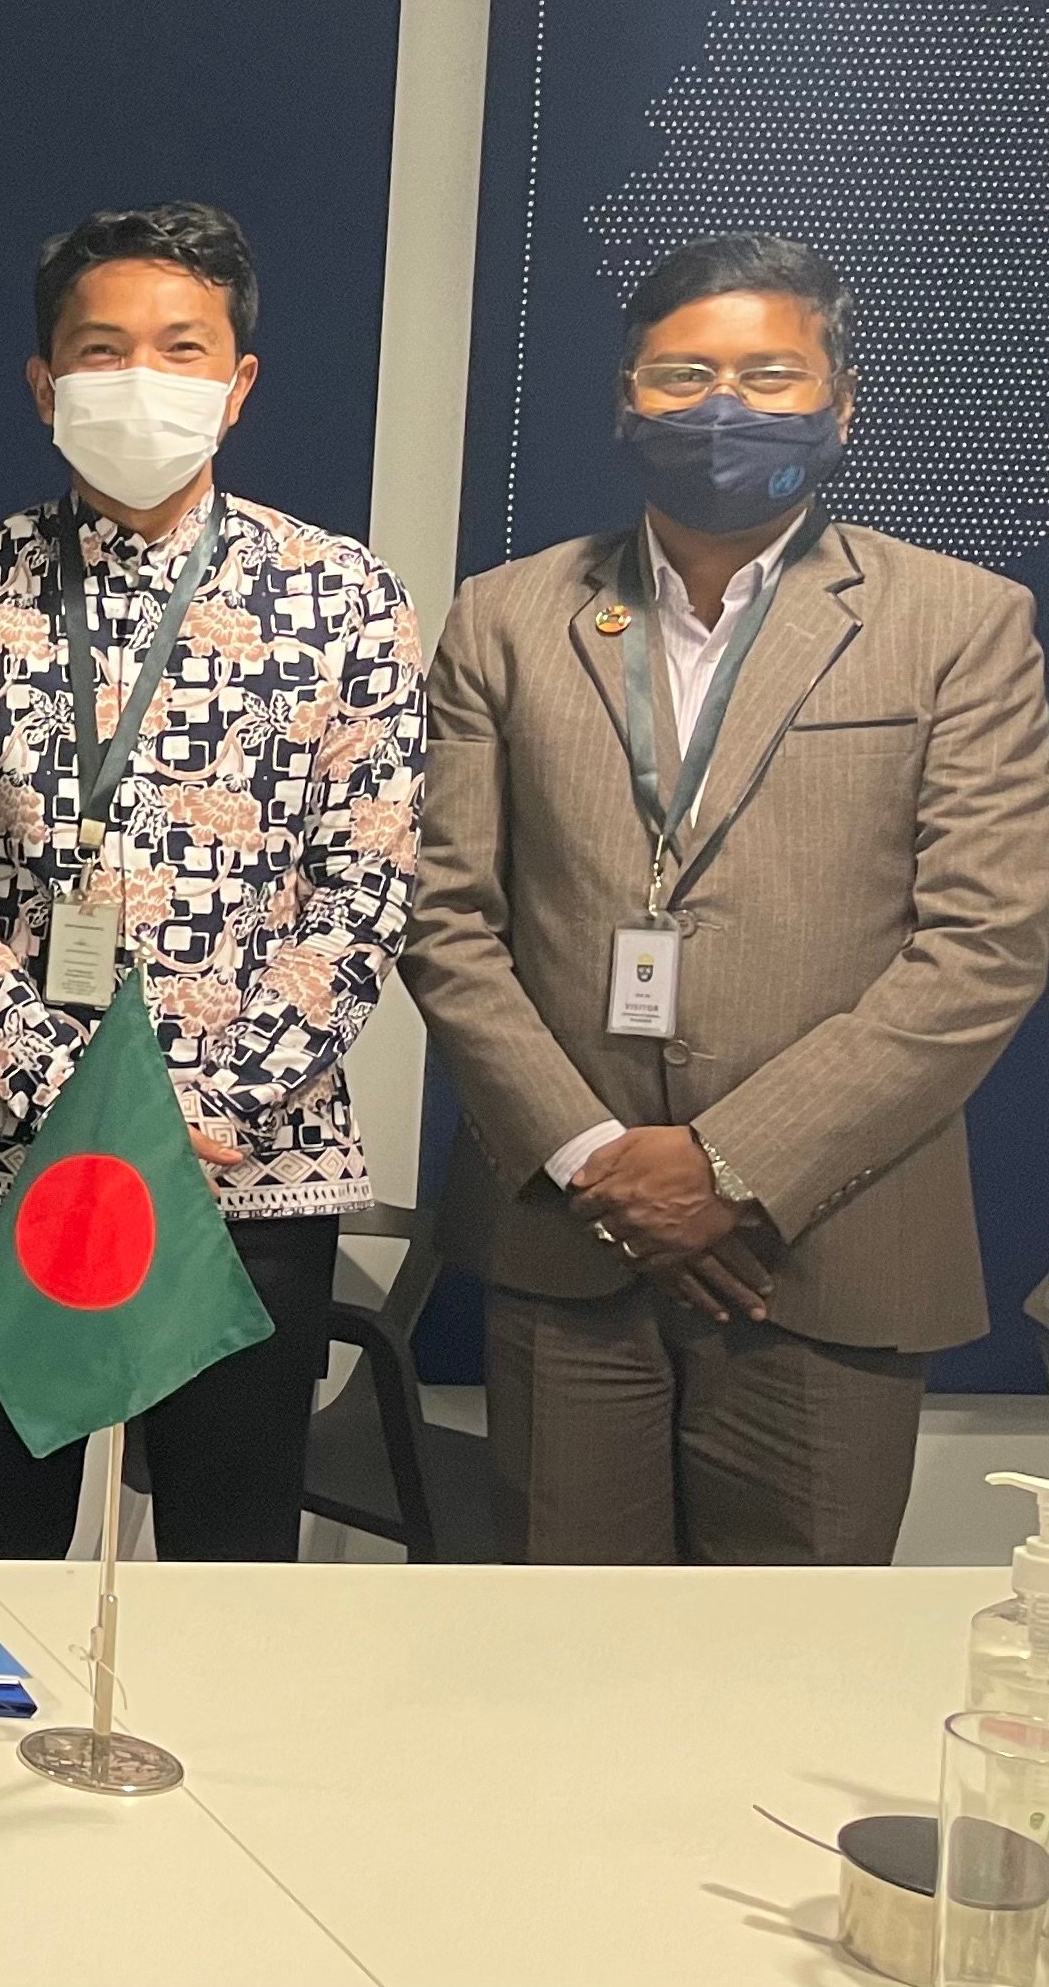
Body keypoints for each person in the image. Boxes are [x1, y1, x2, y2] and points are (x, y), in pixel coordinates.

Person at [405, 233, 1049, 1564]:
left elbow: (987, 942)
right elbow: (443, 916)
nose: (723, 406)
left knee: (789, 1656)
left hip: (828, 1247)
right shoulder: (506, 617)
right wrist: (599, 1160)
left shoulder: (960, 623)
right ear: (627, 400)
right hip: (571, 1242)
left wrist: (731, 1168)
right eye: (683, 374)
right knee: (562, 1651)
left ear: (840, 404)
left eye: (769, 375)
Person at [0, 203, 423, 1562]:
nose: (140, 378)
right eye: (102, 349)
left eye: (180, 348)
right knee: (2, 1548)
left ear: (238, 382)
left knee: (229, 1558)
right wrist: (64, 1090)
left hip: (248, 1161)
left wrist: (211, 1104)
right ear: (44, 384)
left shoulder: (343, 595)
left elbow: (366, 884)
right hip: (12, 1148)